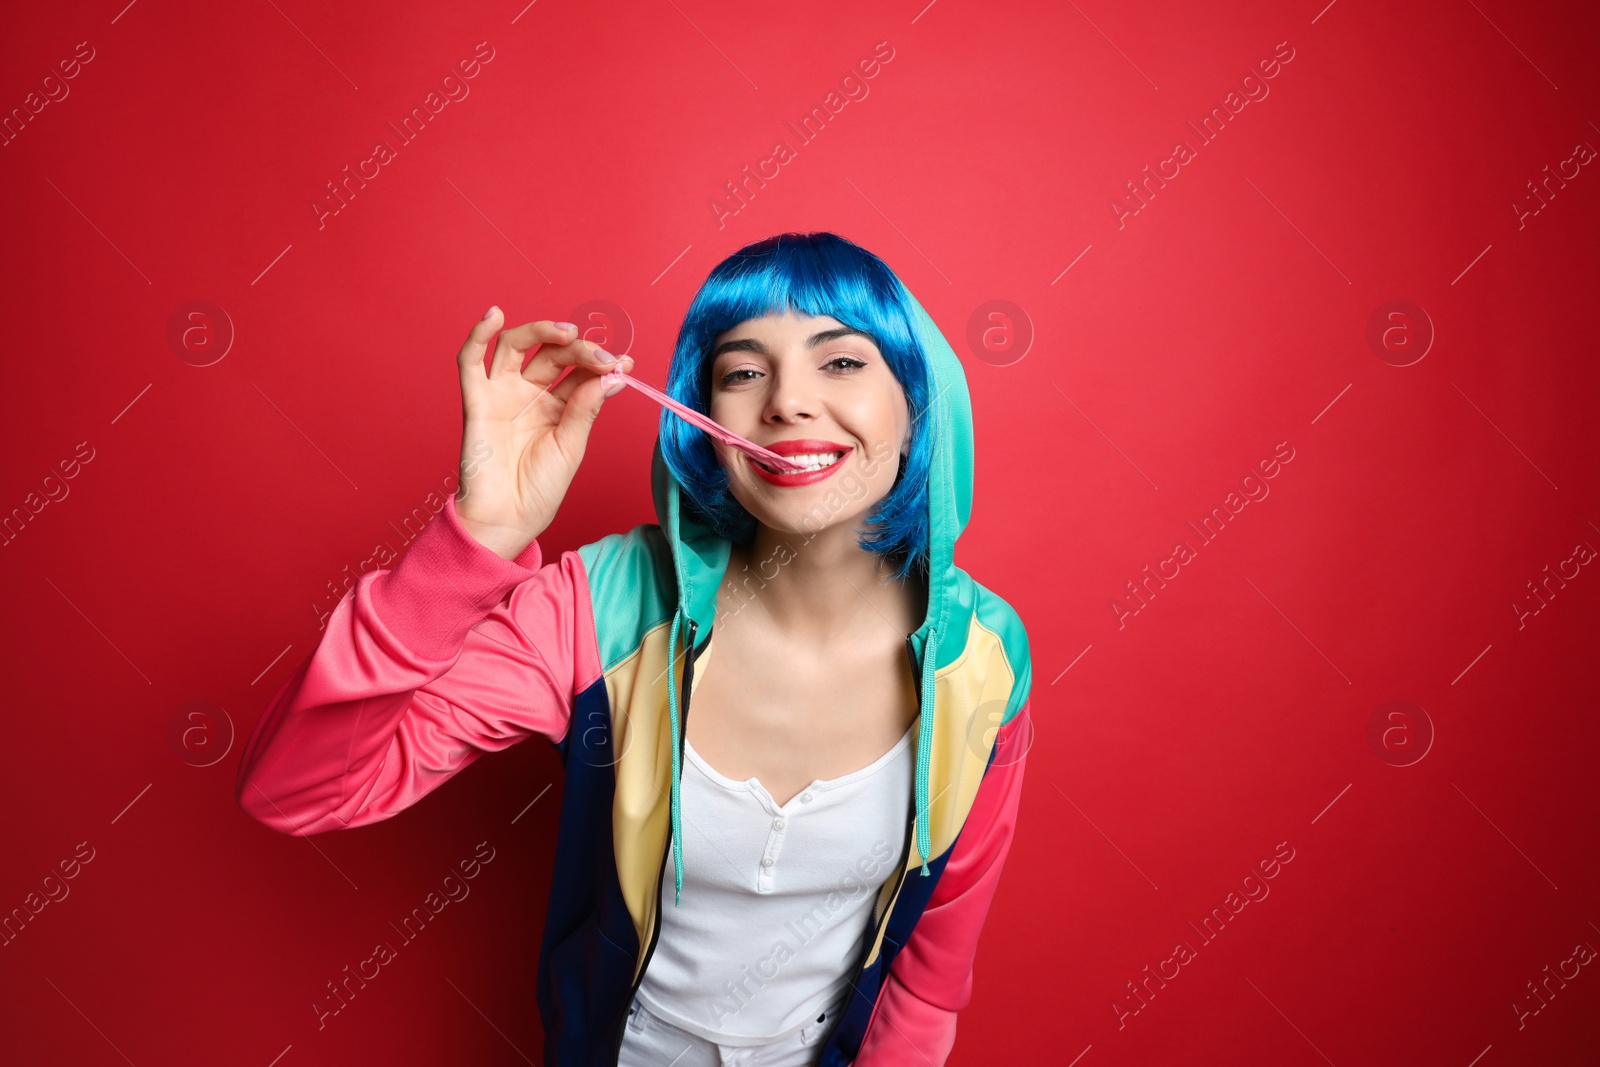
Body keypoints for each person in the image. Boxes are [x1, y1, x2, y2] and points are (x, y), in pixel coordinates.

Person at [236, 231, 1034, 1066]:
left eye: (840, 363)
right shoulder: (598, 609)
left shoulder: (985, 656)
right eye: (743, 371)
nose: (788, 402)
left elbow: (929, 976)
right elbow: (296, 791)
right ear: (705, 422)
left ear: (917, 404)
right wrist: (476, 538)